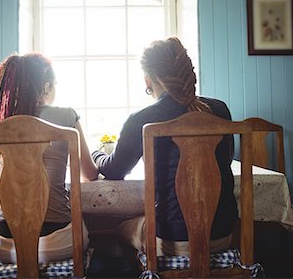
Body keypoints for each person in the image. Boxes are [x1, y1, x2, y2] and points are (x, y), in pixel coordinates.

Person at [92, 37, 238, 257]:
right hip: (223, 235)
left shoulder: (142, 120)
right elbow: (226, 159)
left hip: (174, 240)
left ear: (148, 81)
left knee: (122, 228)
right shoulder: (219, 110)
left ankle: (152, 271)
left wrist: (97, 154)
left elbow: (115, 170)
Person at [0, 53, 98, 265]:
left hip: (0, 247)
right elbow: (90, 174)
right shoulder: (66, 117)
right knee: (91, 230)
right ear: (46, 86)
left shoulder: (1, 120)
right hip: (54, 244)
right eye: (54, 84)